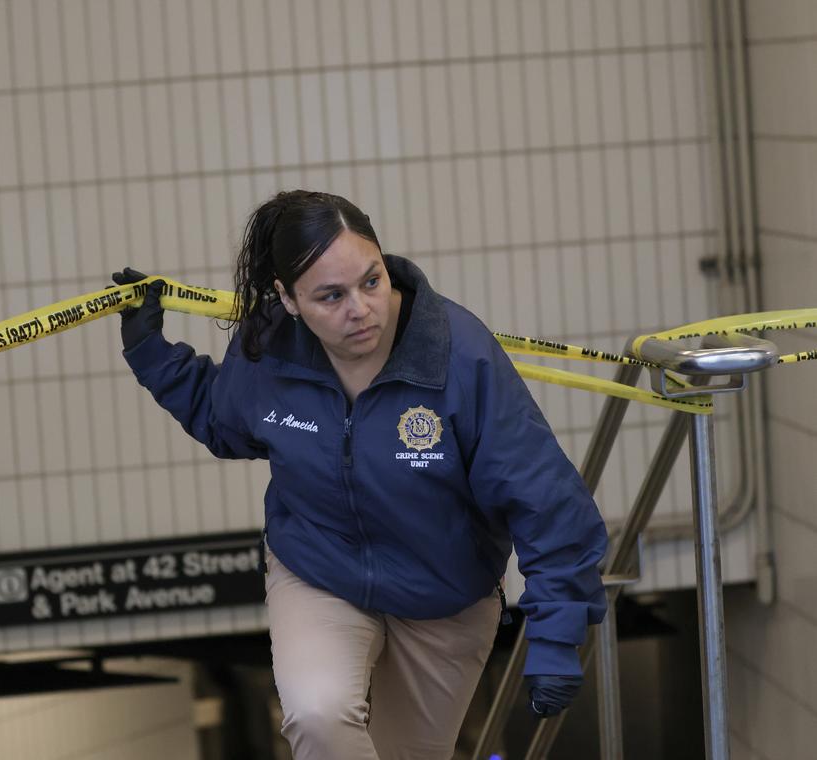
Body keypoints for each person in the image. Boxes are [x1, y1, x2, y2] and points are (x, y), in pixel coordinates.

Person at [112, 190, 608, 760]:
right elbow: (222, 419)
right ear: (288, 299)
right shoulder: (270, 347)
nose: (361, 308)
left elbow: (542, 494)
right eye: (331, 296)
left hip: (444, 595)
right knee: (319, 715)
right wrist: (149, 350)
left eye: (371, 281)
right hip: (319, 569)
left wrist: (555, 634)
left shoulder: (458, 354)